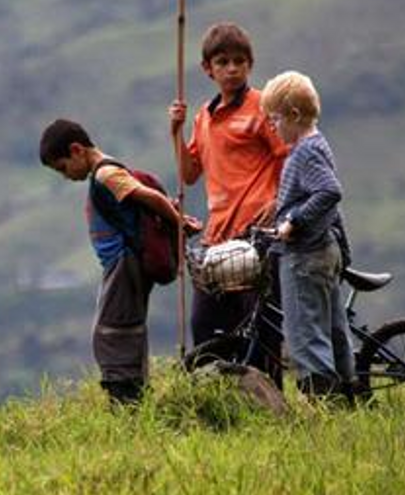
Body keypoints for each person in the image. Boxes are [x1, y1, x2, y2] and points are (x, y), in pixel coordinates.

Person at [39, 118, 201, 405]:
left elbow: (149, 197)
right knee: (123, 327)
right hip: (120, 264)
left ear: (77, 150)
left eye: (63, 168)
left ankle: (127, 400)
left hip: (126, 263)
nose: (65, 175)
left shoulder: (106, 175)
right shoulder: (107, 173)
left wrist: (177, 222)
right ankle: (132, 392)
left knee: (114, 331)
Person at [168, 22, 288, 388]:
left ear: (250, 64)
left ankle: (272, 404)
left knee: (260, 325)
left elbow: (287, 154)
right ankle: (217, 398)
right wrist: (175, 131)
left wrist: (277, 199)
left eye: (239, 61)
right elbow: (189, 174)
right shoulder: (204, 116)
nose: (232, 69)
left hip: (257, 234)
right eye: (223, 62)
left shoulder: (263, 106)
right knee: (206, 325)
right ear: (208, 69)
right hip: (218, 238)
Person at [260, 70, 355, 400]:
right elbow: (328, 202)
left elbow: (329, 192)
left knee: (305, 334)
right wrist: (342, 248)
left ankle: (323, 406)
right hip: (323, 249)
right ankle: (348, 394)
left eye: (274, 119)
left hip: (304, 255)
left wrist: (293, 222)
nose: (271, 126)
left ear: (294, 115)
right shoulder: (318, 143)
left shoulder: (304, 152)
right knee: (333, 330)